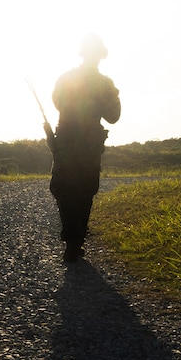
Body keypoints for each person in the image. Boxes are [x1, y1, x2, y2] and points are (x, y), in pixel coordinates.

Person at [49, 33, 122, 261]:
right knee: (85, 189)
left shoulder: (65, 79)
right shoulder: (104, 84)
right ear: (100, 56)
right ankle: (75, 240)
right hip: (89, 145)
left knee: (64, 188)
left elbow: (57, 103)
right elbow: (114, 116)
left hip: (66, 141)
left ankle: (72, 239)